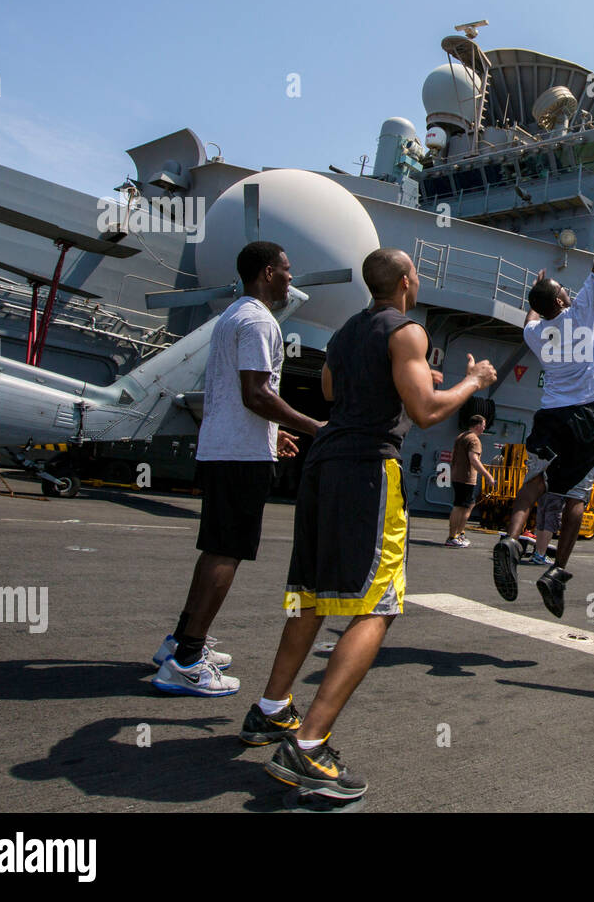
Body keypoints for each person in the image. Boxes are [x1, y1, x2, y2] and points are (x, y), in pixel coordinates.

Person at [243, 248, 496, 800]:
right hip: (366, 470)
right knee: (376, 606)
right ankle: (309, 746)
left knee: (312, 595)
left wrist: (399, 377)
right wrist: (472, 380)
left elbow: (333, 392)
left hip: (323, 463)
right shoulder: (407, 331)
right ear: (406, 281)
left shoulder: (346, 331)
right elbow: (428, 412)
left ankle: (271, 709)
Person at [153, 242, 324, 697]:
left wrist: (275, 434)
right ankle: (187, 661)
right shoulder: (258, 321)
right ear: (269, 272)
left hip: (226, 447)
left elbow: (238, 396)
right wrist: (312, 427)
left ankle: (181, 639)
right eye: (287, 269)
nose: (291, 278)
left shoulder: (234, 315)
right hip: (239, 458)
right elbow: (256, 394)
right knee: (226, 553)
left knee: (214, 549)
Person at [490, 170, 594, 618]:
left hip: (549, 416)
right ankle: (556, 572)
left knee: (535, 482)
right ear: (564, 301)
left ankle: (510, 540)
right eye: (563, 291)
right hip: (585, 417)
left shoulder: (535, 334)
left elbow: (531, 316)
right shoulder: (580, 311)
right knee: (575, 498)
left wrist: (540, 290)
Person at [446, 414, 494, 547]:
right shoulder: (474, 440)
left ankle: (460, 533)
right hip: (466, 478)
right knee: (460, 506)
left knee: (468, 504)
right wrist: (487, 476)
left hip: (458, 476)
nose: (484, 428)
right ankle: (452, 537)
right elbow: (474, 459)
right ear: (478, 425)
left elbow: (453, 456)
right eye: (483, 425)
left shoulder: (461, 436)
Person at [525, 492, 565, 565]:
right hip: (557, 492)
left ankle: (537, 553)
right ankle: (541, 554)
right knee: (550, 523)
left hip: (543, 491)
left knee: (541, 522)